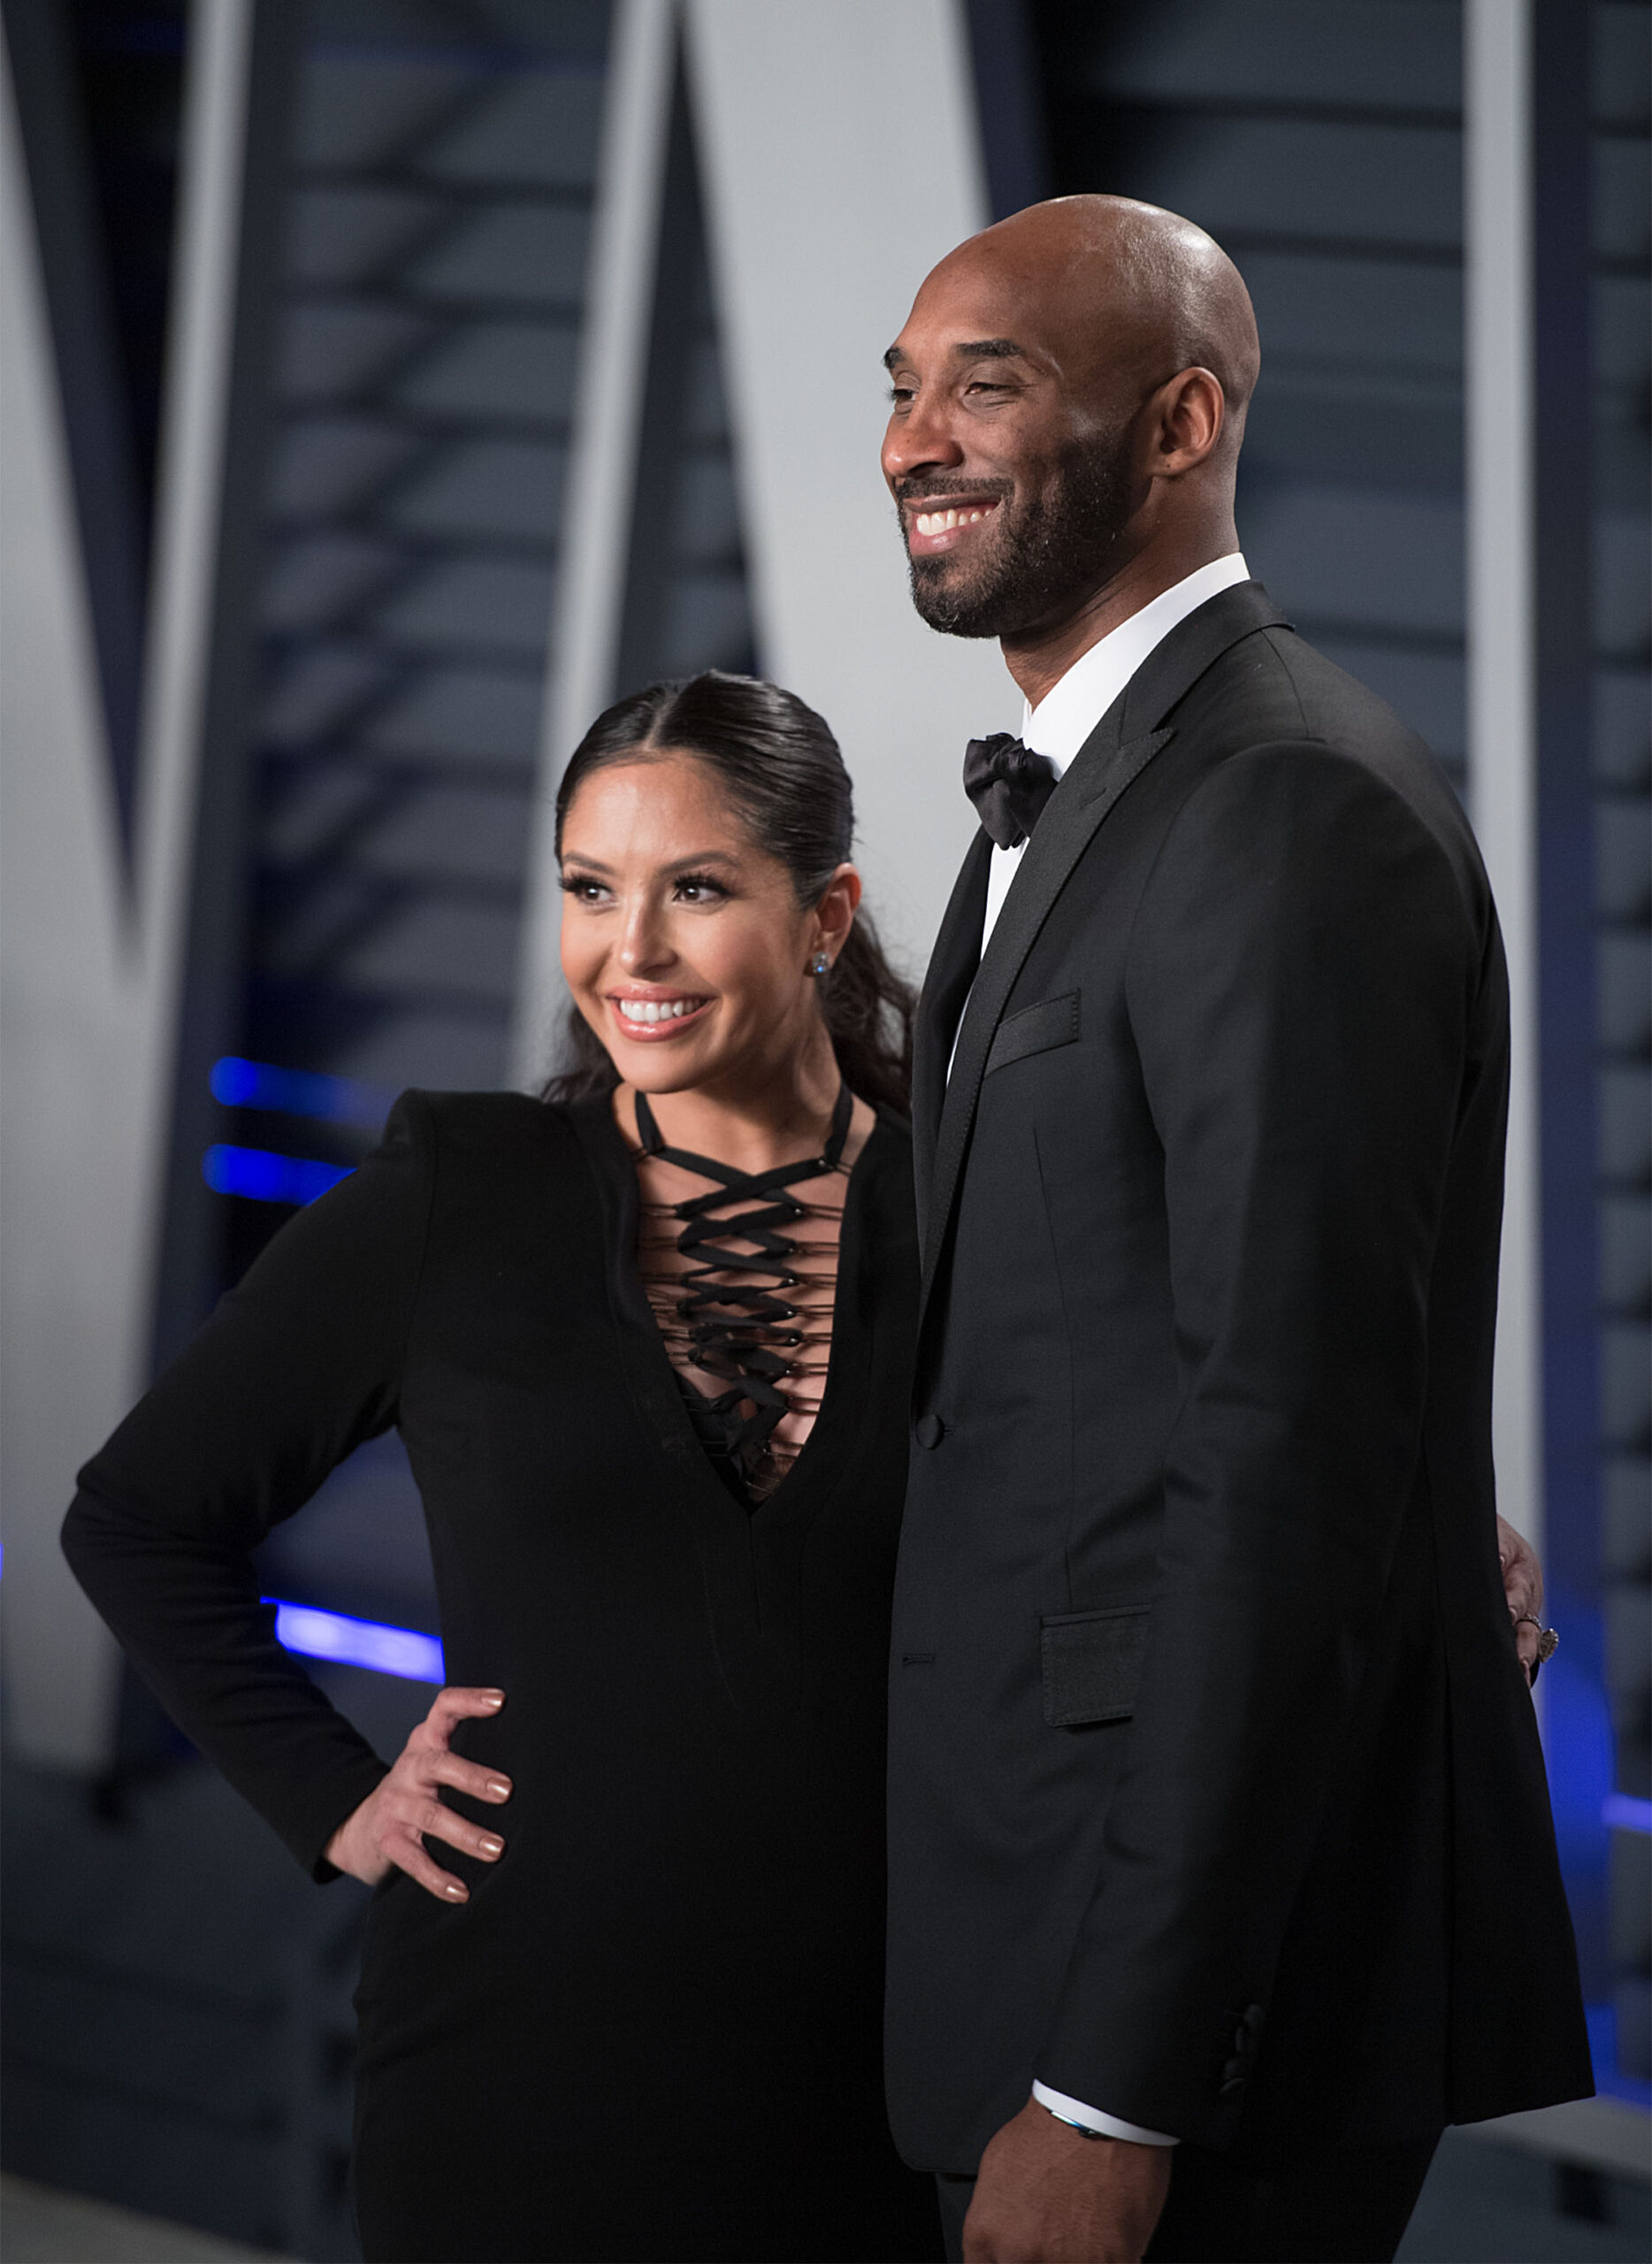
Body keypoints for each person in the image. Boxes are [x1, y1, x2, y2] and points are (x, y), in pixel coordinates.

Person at [877, 195, 1592, 2264]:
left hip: (1182, 2008)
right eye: (901, 391)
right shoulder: (1109, 783)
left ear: (1179, 422)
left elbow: (1285, 1455)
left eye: (986, 383)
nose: (914, 440)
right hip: (1040, 1906)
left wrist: (1117, 2083)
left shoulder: (1282, 804)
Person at [62, 674, 945, 2264]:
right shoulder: (462, 1196)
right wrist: (337, 1798)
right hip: (506, 2077)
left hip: (869, 2095)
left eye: (695, 890)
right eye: (591, 891)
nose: (632, 952)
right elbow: (135, 1518)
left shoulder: (977, 1221)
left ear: (826, 916)